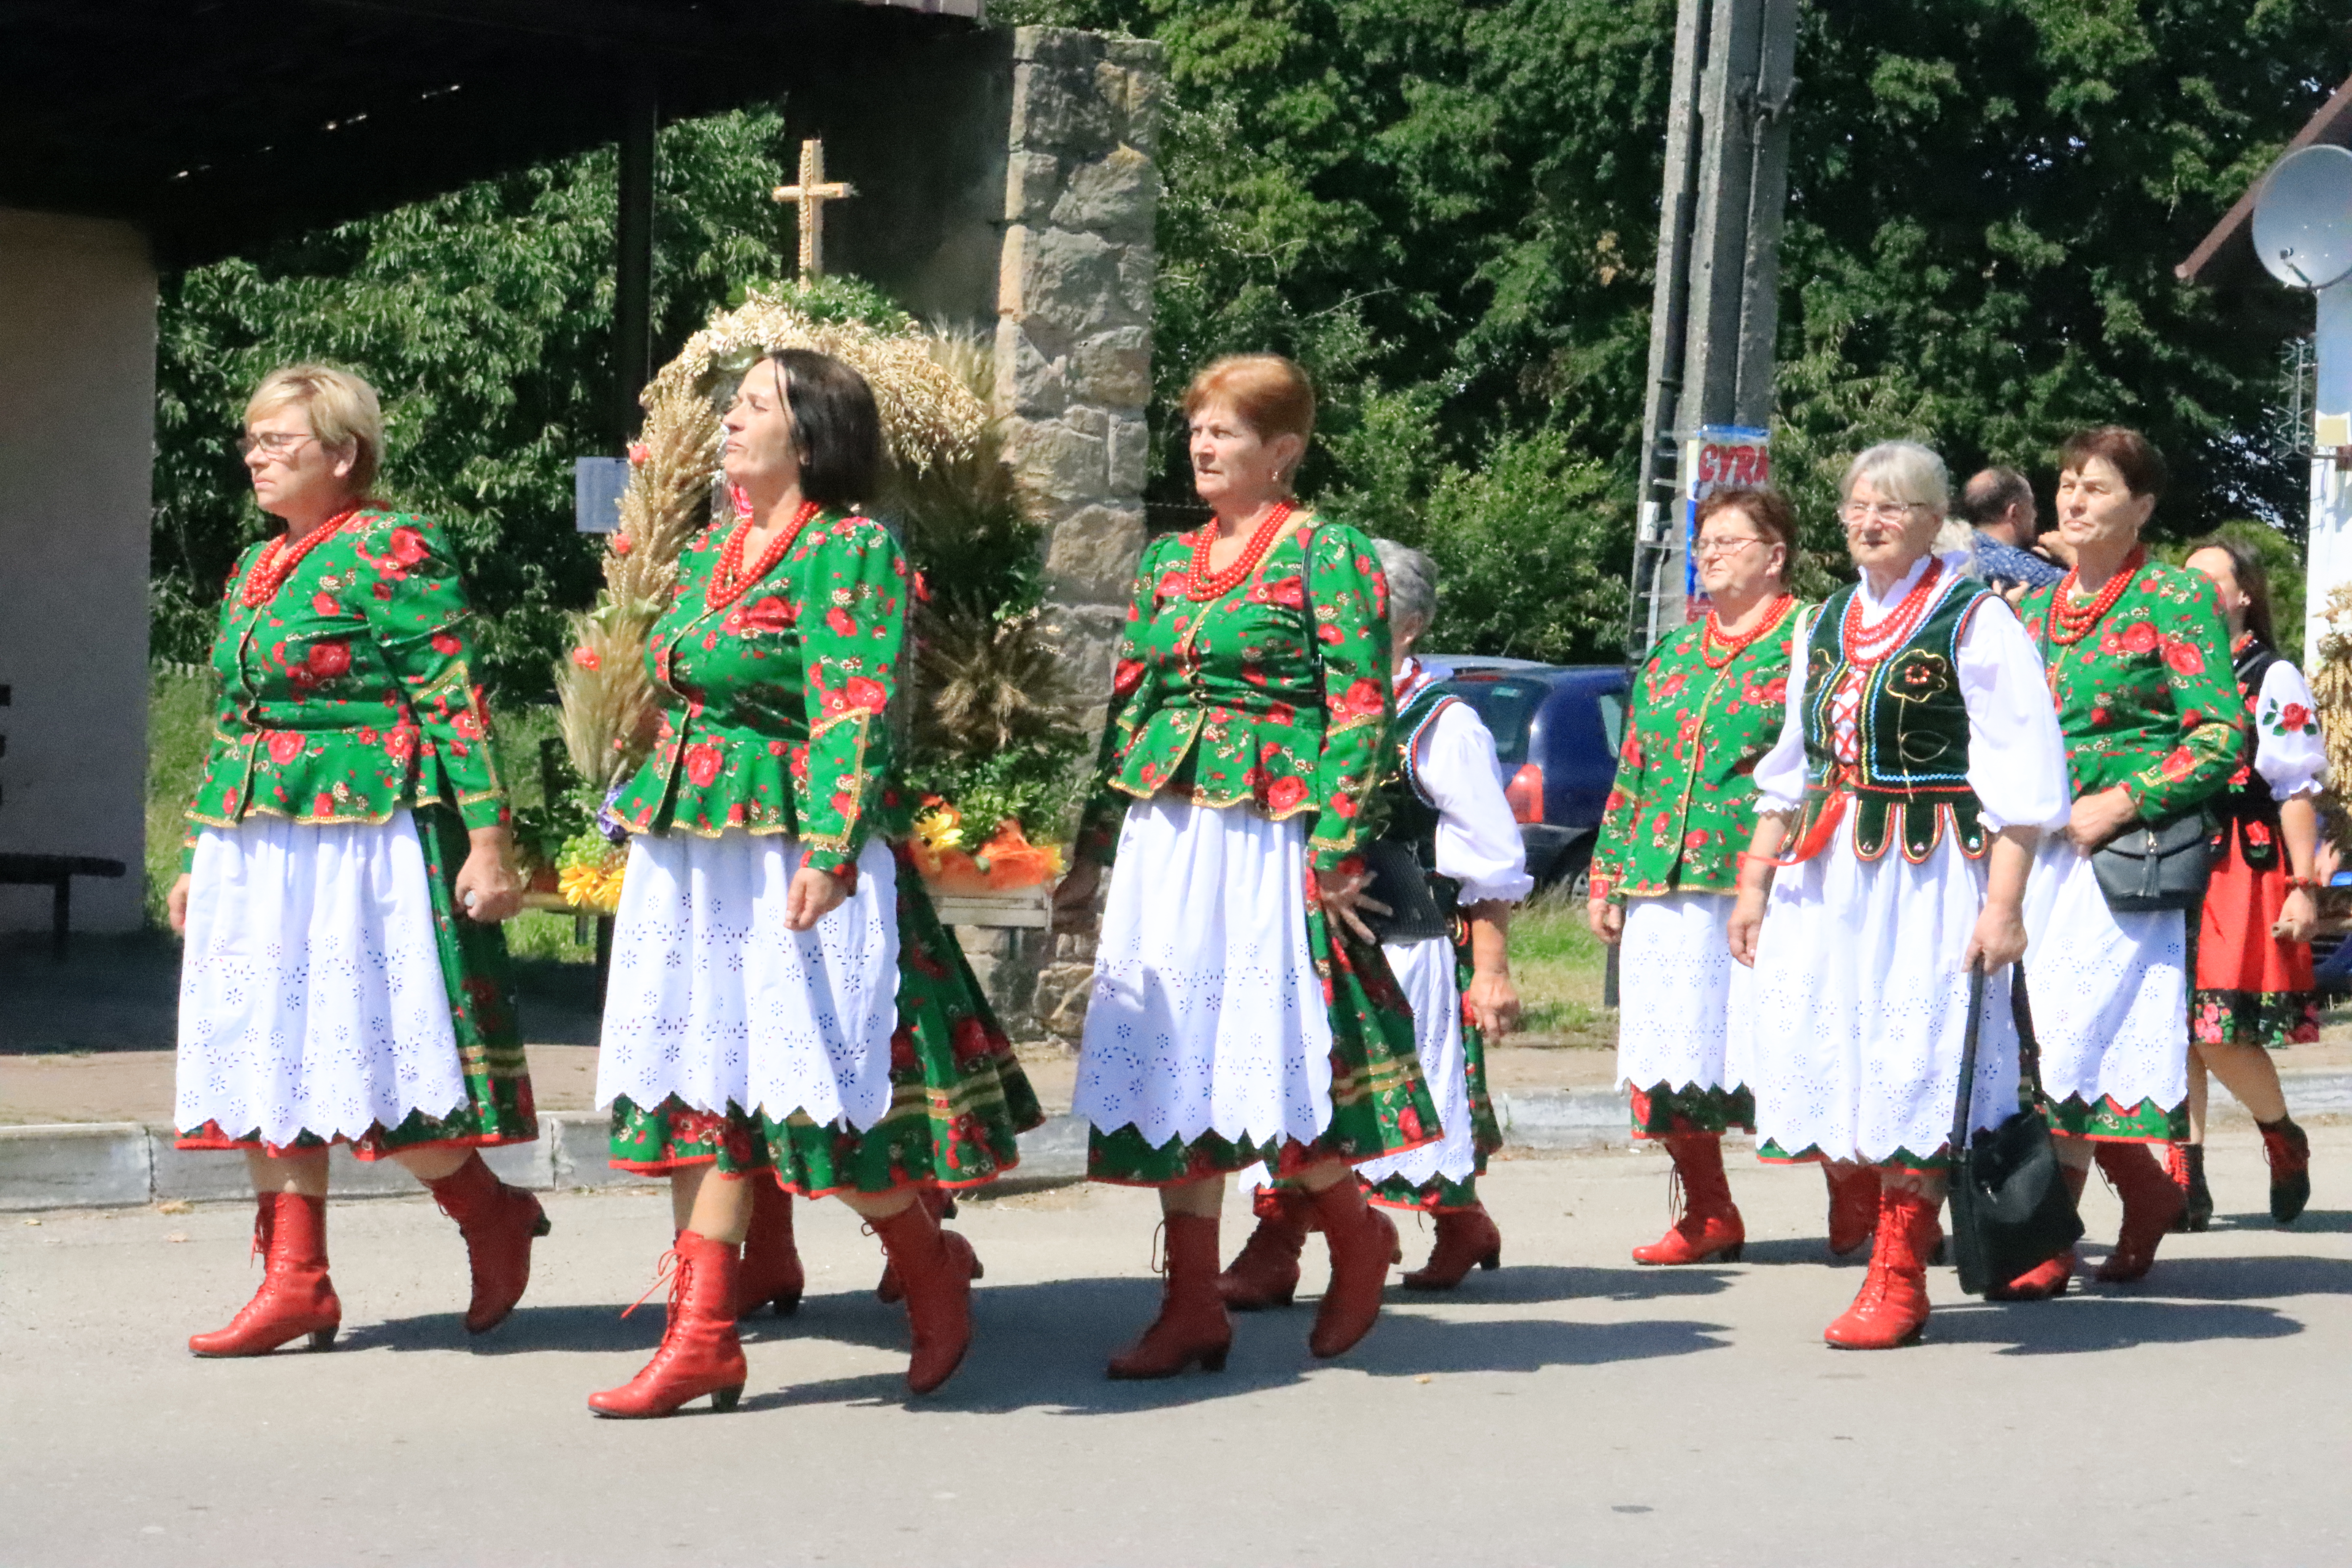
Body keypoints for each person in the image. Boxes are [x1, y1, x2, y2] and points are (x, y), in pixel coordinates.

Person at [588, 349, 1038, 1417]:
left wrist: (832, 851)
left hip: (788, 847)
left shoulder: (849, 550)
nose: (731, 421)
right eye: (734, 403)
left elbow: (855, 705)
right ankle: (700, 1337)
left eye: (754, 406)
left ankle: (927, 1264)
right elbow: (680, 684)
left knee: (819, 1102)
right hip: (697, 843)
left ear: (812, 435)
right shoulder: (713, 548)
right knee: (699, 1083)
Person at [1053, 353, 1440, 1379]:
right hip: (1169, 832)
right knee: (1179, 1054)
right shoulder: (1170, 562)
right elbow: (1130, 708)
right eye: (1198, 429)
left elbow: (1363, 709)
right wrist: (1091, 850)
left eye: (1224, 431)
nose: (1203, 445)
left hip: (1270, 833)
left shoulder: (1329, 554)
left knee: (1266, 1046)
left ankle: (1355, 1235)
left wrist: (1336, 846)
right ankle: (1191, 1306)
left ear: (1284, 450)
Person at [170, 364, 545, 1357]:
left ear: (342, 452)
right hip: (258, 838)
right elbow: (230, 719)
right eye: (250, 439)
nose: (255, 456)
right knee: (267, 1047)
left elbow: (453, 701)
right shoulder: (256, 567)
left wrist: (490, 840)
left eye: (278, 441)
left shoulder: (391, 547)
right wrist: (197, 852)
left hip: (363, 835)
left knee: (369, 1055)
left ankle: (486, 1212)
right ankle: (297, 1282)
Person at [1730, 441, 2069, 1349]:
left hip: (1931, 878)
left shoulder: (1976, 620)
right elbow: (1793, 765)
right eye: (1855, 508)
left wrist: (2004, 906)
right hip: (1836, 874)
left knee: (1920, 1062)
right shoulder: (1827, 620)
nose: (1868, 523)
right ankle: (1956, 1246)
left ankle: (1900, 1277)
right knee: (1854, 1056)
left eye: (1889, 508)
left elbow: (2024, 777)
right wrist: (1757, 881)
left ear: (1929, 522)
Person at [1220, 540, 1529, 1303]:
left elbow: (1488, 859)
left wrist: (1491, 971)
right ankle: (1291, 1240)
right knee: (1293, 1083)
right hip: (1299, 935)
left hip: (1400, 939)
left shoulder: (1439, 723)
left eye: (1363, 608)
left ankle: (1438, 1222)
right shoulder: (1299, 706)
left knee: (1395, 1095)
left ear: (1410, 624)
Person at [1589, 488, 1876, 1263]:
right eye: (1703, 543)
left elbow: (1829, 758)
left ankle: (1856, 1194)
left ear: (1774, 555)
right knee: (1670, 1055)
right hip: (1665, 881)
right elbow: (1636, 771)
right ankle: (1710, 1211)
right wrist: (1608, 875)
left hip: (1770, 877)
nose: (1709, 554)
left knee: (1787, 1042)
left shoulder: (1814, 640)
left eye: (1728, 541)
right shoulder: (1676, 652)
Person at [2007, 428, 2244, 1296]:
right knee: (2034, 1041)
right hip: (2032, 857)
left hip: (2121, 857)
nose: (2072, 501)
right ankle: (2146, 1192)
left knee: (2077, 1037)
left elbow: (2220, 734)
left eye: (2096, 488)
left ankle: (2047, 1239)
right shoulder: (2031, 610)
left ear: (2141, 507)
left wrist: (2124, 798)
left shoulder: (2175, 598)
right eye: (2066, 485)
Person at [2177, 537, 2323, 1227]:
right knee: (2174, 1026)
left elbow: (2295, 788)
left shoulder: (2273, 675)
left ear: (2243, 597)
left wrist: (2304, 885)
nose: (2197, 592)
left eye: (2212, 581)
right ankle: (2188, 1176)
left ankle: (2280, 1136)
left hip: (2238, 860)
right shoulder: (2164, 671)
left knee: (2214, 1027)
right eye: (2186, 581)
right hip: (2167, 854)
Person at [1958, 466, 2065, 596]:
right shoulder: (2016, 563)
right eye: (2031, 505)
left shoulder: (1958, 549)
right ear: (2015, 513)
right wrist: (2070, 553)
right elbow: (2085, 589)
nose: (2035, 514)